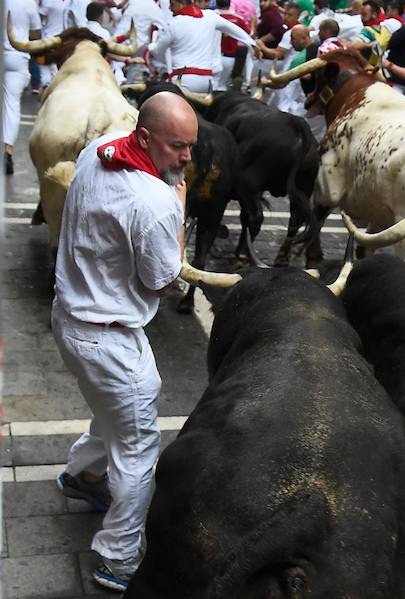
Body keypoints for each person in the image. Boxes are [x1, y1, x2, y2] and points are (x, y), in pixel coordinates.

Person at [53, 91, 197, 593]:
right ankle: (117, 558)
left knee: (109, 409)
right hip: (109, 340)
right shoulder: (156, 202)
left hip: (69, 320)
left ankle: (82, 476)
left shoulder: (98, 149)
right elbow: (163, 280)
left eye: (190, 147)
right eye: (177, 147)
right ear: (144, 137)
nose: (186, 159)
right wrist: (178, 212)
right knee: (138, 446)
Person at [149, 0, 258, 92]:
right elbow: (235, 30)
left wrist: (151, 43)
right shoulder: (210, 16)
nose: (169, 8)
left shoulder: (172, 24)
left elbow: (157, 52)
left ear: (181, 3)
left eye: (172, 4)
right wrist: (253, 45)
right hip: (207, 80)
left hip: (182, 80)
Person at [4, 0, 41, 175]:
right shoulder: (29, 3)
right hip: (17, 56)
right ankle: (7, 150)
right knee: (11, 104)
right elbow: (35, 33)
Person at [216, 0, 252, 90]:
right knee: (222, 85)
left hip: (212, 57)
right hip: (229, 57)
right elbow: (248, 33)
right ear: (230, 4)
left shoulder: (211, 16)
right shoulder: (238, 19)